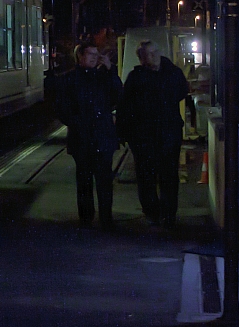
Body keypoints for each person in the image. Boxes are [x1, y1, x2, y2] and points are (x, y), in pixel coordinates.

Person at [117, 40, 190, 228]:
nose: (154, 56)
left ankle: (168, 213)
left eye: (155, 51)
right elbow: (125, 107)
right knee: (146, 176)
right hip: (144, 136)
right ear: (142, 58)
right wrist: (125, 133)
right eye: (149, 54)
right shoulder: (136, 77)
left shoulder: (172, 73)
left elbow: (182, 90)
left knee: (169, 175)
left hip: (167, 133)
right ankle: (152, 212)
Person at [54, 41, 123, 228]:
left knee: (104, 179)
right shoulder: (69, 79)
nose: (94, 57)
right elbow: (62, 108)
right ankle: (86, 216)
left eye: (96, 54)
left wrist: (111, 71)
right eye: (90, 54)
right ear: (80, 57)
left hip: (102, 136)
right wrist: (78, 122)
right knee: (84, 178)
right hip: (82, 137)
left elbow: (118, 97)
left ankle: (106, 217)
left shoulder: (104, 76)